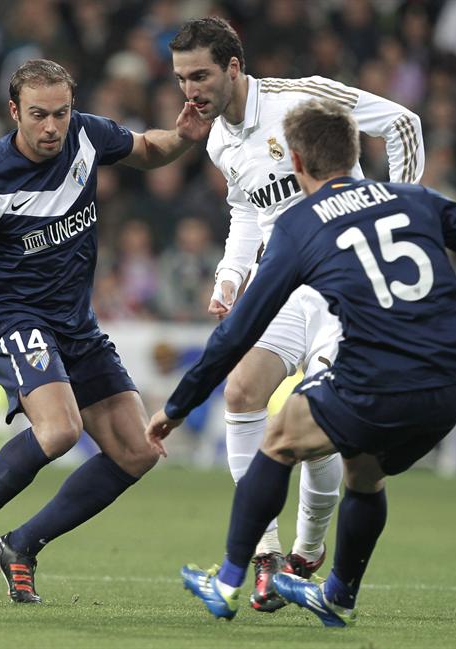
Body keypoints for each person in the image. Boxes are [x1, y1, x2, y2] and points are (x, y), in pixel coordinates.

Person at [144, 98, 456, 625]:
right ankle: (337, 593)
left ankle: (228, 580)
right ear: (356, 152)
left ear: (295, 162)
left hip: (376, 378)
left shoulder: (300, 224)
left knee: (277, 440)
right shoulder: (415, 197)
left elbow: (237, 332)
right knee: (364, 471)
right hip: (451, 382)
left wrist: (178, 406)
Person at [0, 59, 209, 603]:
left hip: (75, 324)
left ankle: (21, 546)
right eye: (39, 115)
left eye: (61, 112)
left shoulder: (85, 135)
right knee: (59, 431)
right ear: (14, 113)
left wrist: (184, 138)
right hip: (12, 317)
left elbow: (147, 149)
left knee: (138, 450)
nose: (53, 126)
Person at [168, 17, 426, 612]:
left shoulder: (303, 97)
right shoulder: (216, 139)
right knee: (241, 394)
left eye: (201, 75)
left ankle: (308, 554)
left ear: (234, 67)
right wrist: (230, 277)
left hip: (345, 284)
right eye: (182, 78)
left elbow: (403, 124)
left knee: (322, 420)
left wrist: (400, 213)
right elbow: (246, 211)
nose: (191, 90)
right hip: (283, 286)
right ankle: (267, 555)